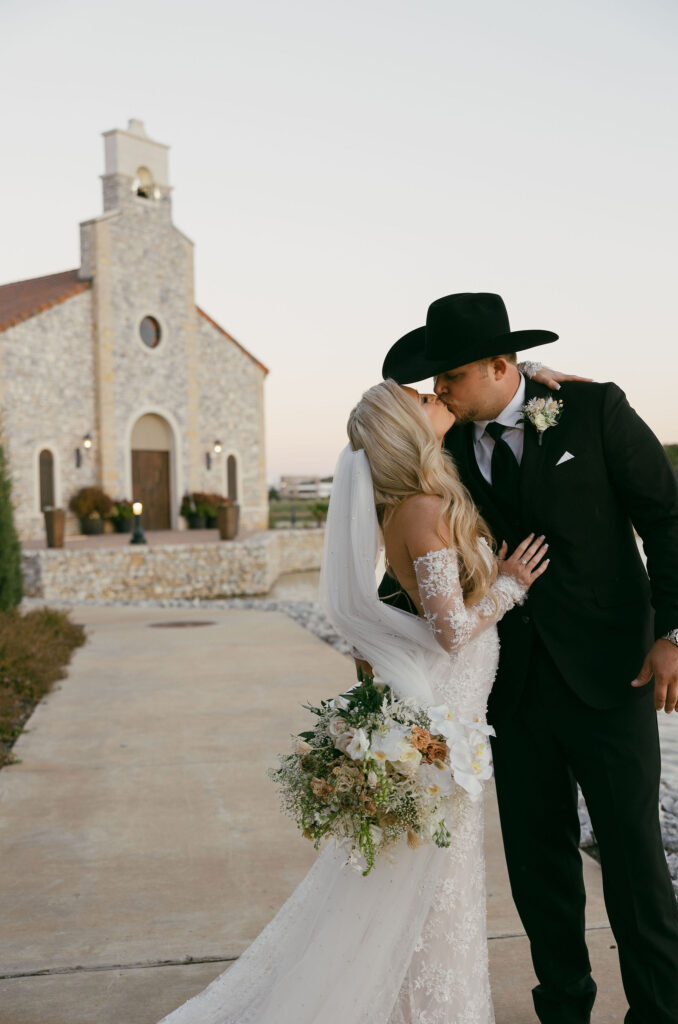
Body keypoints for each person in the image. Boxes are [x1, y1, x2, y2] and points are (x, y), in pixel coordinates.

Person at [157, 370, 551, 1024]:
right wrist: (508, 586)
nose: (436, 396)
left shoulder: (417, 500)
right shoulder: (423, 509)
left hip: (451, 703)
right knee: (438, 881)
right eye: (423, 399)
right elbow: (451, 631)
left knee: (433, 880)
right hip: (445, 704)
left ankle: (417, 1002)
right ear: (405, 428)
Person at [380, 291, 678, 1024]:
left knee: (635, 862)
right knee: (538, 867)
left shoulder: (592, 410)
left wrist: (674, 635)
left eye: (449, 374)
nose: (440, 389)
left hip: (615, 674)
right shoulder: (439, 447)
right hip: (505, 692)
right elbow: (409, 574)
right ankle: (564, 1012)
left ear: (498, 364)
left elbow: (667, 519)